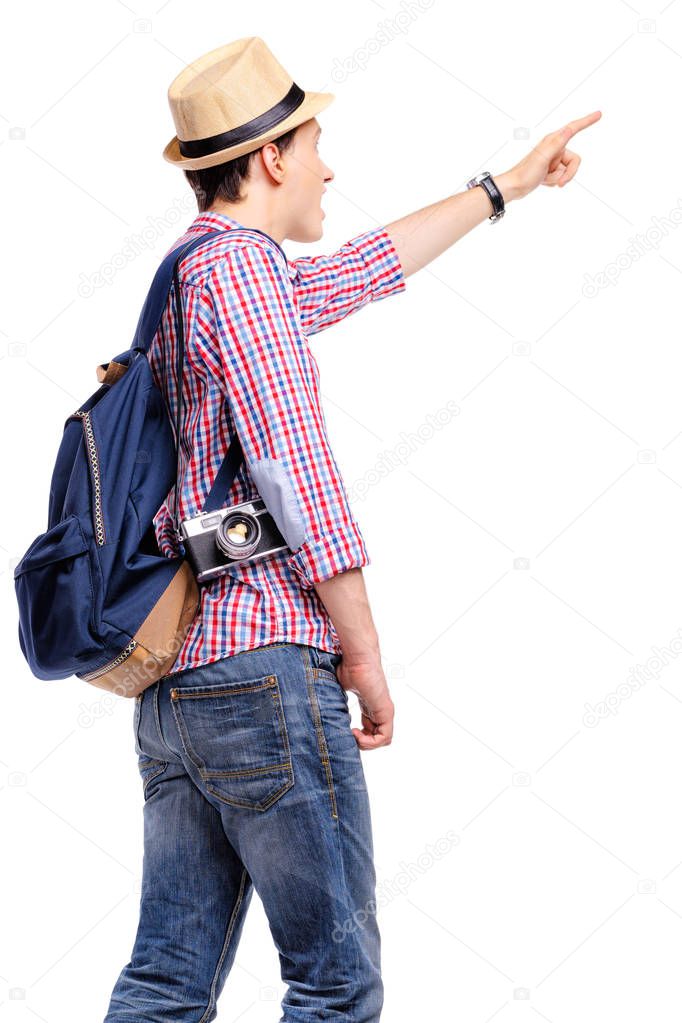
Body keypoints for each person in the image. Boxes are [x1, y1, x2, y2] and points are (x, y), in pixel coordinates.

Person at [103, 35, 601, 1023]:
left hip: (179, 690)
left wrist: (508, 185)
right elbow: (299, 480)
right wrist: (361, 653)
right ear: (274, 157)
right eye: (318, 142)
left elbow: (365, 268)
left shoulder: (196, 275)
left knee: (167, 980)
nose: (331, 166)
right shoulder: (242, 279)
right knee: (334, 983)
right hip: (266, 676)